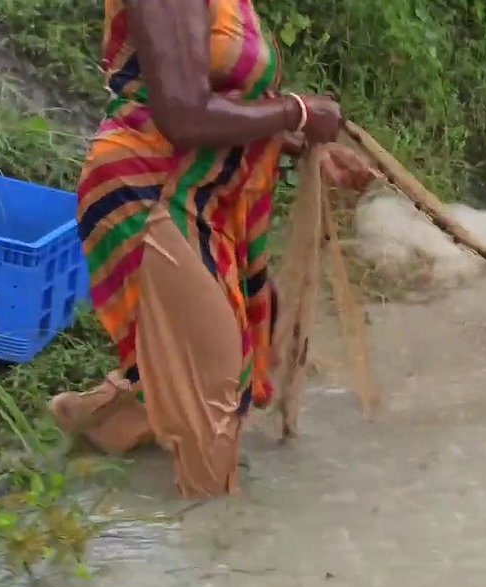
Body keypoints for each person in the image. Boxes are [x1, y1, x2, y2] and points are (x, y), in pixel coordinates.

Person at [48, 0, 375, 498]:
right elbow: (184, 115)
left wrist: (301, 143)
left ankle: (102, 421)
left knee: (207, 358)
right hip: (150, 190)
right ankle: (219, 550)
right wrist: (299, 111)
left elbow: (222, 101)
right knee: (214, 396)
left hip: (207, 194)